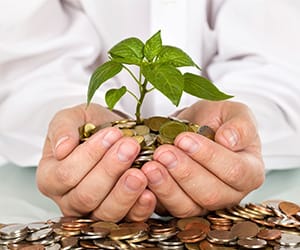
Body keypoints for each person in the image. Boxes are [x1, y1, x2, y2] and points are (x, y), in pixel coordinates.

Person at [0, 0, 299, 222]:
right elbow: (26, 61)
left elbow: (282, 54)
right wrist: (71, 134)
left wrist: (239, 131)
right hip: (25, 194)